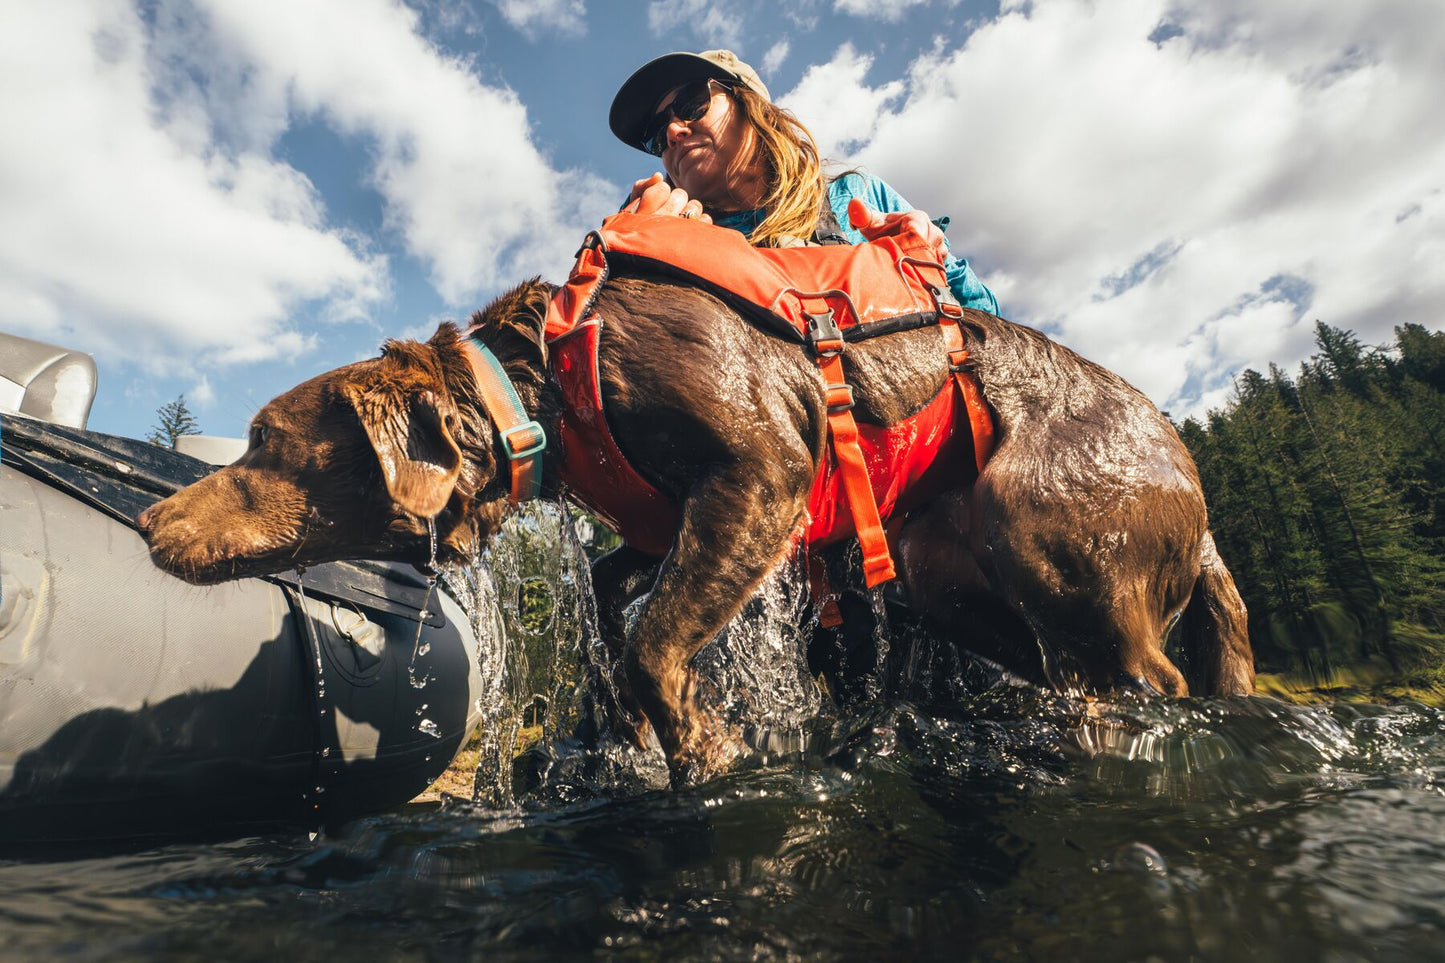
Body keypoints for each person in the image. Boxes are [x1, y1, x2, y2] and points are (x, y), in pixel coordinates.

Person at [607, 49, 998, 314]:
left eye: (692, 104)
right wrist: (629, 264)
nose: (673, 131)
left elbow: (987, 321)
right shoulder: (662, 241)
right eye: (656, 134)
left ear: (752, 108)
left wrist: (936, 265)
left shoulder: (854, 197)